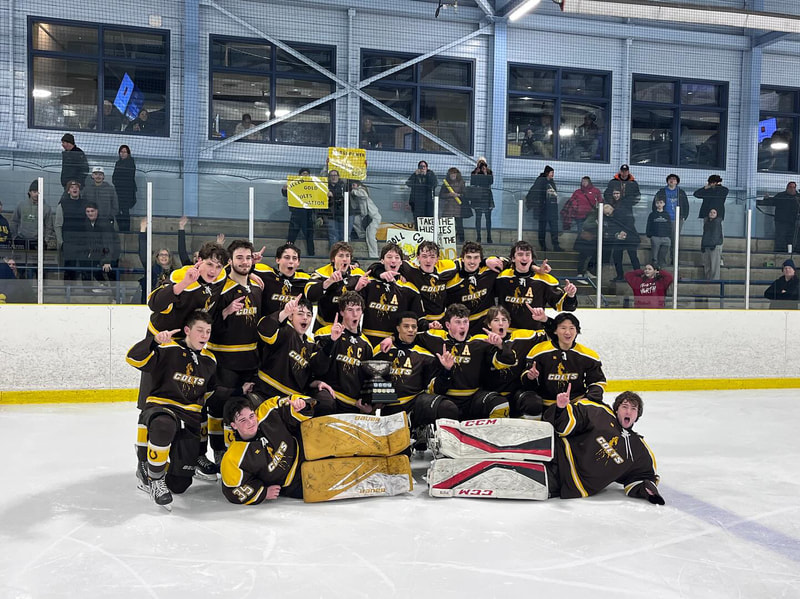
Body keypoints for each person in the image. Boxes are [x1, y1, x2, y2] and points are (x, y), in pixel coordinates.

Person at [126, 311, 228, 510]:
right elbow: (132, 358)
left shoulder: (210, 360)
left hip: (189, 418)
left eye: (208, 331)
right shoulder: (168, 348)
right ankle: (153, 476)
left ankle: (155, 459)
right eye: (200, 330)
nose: (205, 335)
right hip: (162, 408)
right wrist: (154, 341)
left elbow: (209, 391)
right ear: (187, 330)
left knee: (179, 485)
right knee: (164, 425)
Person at [544, 390, 664, 504]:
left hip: (569, 481)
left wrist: (648, 491)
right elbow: (568, 424)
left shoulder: (638, 450)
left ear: (637, 415)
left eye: (633, 409)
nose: (628, 412)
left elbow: (644, 476)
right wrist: (561, 409)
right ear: (616, 409)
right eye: (624, 407)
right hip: (557, 451)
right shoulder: (600, 413)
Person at [416, 303, 517, 420]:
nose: (462, 326)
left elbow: (509, 362)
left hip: (473, 399)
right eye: (458, 322)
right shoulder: (435, 337)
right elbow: (408, 336)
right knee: (447, 409)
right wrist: (446, 370)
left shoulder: (480, 342)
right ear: (448, 325)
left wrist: (500, 345)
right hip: (445, 398)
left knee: (500, 404)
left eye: (465, 322)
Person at [372, 311, 459, 428]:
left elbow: (435, 389)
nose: (410, 330)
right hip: (389, 408)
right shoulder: (382, 349)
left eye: (414, 327)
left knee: (448, 408)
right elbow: (371, 378)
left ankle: (421, 430)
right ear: (398, 328)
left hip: (415, 404)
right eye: (406, 326)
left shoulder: (426, 356)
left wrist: (446, 370)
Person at [252, 294, 335, 414]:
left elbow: (318, 368)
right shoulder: (285, 330)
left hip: (293, 401)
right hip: (267, 392)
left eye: (309, 315)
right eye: (300, 314)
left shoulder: (311, 345)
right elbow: (264, 329)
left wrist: (332, 341)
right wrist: (284, 313)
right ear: (291, 316)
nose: (305, 318)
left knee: (326, 402)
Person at [220, 394, 310, 504]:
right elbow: (232, 490)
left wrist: (301, 404)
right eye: (243, 420)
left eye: (251, 416)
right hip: (294, 482)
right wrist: (263, 493)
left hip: (307, 448)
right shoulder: (233, 458)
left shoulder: (267, 411)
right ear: (234, 425)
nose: (250, 422)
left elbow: (291, 401)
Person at [520, 312, 607, 416]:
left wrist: (588, 399)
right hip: (546, 404)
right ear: (555, 331)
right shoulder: (539, 351)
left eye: (572, 328)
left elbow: (598, 382)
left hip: (574, 405)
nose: (567, 332)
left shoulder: (588, 355)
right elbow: (527, 384)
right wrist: (530, 377)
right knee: (531, 403)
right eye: (563, 328)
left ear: (577, 331)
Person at [495, 240, 578, 330]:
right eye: (520, 254)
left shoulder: (544, 280)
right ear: (513, 258)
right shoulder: (502, 277)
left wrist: (570, 295)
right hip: (507, 333)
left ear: (532, 259)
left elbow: (564, 306)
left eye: (527, 255)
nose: (524, 258)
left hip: (534, 334)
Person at [313, 291, 374, 412]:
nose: (355, 314)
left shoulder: (367, 345)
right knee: (325, 403)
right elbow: (317, 368)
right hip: (329, 396)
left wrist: (369, 404)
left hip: (352, 404)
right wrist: (332, 341)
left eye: (358, 310)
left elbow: (366, 379)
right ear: (341, 312)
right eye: (350, 310)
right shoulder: (325, 333)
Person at [357, 243, 423, 347]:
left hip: (394, 343)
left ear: (401, 262)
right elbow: (353, 309)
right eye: (389, 257)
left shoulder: (410, 289)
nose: (393, 260)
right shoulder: (369, 283)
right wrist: (357, 289)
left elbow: (416, 320)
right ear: (382, 261)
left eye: (397, 257)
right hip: (367, 341)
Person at [305, 241, 366, 330]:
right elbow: (310, 295)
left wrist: (358, 290)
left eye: (347, 256)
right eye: (341, 256)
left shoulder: (359, 274)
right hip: (324, 327)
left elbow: (366, 302)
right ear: (333, 259)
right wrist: (329, 281)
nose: (344, 259)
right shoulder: (321, 273)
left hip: (349, 329)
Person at [445, 241, 501, 335]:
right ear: (462, 259)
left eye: (476, 257)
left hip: (486, 327)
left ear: (480, 259)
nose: (472, 261)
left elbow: (510, 262)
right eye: (468, 257)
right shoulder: (452, 279)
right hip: (462, 329)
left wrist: (486, 261)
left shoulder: (488, 271)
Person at [255, 243, 312, 317]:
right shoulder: (265, 272)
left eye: (294, 258)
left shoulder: (305, 279)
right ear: (277, 260)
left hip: (291, 323)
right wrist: (250, 267)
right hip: (267, 322)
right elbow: (242, 269)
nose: (291, 261)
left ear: (298, 262)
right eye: (287, 257)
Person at [138, 217, 181, 304]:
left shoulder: (174, 272)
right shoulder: (151, 268)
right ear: (157, 257)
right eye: (161, 255)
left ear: (170, 257)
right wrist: (142, 229)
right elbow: (143, 252)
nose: (164, 257)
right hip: (153, 302)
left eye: (166, 255)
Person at [81, 201, 120, 287]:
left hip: (112, 253)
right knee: (91, 267)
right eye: (88, 211)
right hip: (98, 252)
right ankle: (104, 285)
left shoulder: (104, 224)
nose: (90, 213)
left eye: (92, 211)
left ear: (97, 211)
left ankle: (116, 294)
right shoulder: (87, 223)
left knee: (111, 273)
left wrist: (107, 261)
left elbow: (108, 243)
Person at [10, 180, 56, 253]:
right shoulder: (21, 205)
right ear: (29, 192)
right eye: (34, 191)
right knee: (20, 260)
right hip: (21, 240)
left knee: (36, 260)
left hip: (38, 242)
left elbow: (49, 226)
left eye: (38, 192)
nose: (36, 194)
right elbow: (14, 221)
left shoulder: (46, 208)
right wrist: (14, 237)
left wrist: (46, 240)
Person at [55, 180, 86, 283]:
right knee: (69, 267)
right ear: (68, 191)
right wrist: (61, 242)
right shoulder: (62, 205)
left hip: (83, 242)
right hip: (68, 242)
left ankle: (87, 289)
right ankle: (68, 289)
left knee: (85, 267)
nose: (74, 189)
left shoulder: (86, 204)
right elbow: (58, 225)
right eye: (72, 187)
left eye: (76, 187)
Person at [607, 189, 641, 282]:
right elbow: (612, 226)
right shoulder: (612, 205)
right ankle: (620, 275)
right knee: (616, 255)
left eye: (617, 193)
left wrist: (624, 231)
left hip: (630, 235)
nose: (616, 195)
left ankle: (639, 275)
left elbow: (630, 220)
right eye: (614, 193)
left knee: (633, 256)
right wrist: (617, 234)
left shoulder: (625, 204)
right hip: (619, 236)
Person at [526, 165, 561, 252]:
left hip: (551, 209)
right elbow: (535, 194)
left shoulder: (551, 182)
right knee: (542, 228)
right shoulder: (540, 181)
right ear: (547, 173)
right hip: (543, 209)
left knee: (554, 228)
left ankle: (555, 245)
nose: (553, 174)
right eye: (551, 172)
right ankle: (543, 246)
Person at [282, 167, 316, 257]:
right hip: (296, 214)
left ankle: (311, 255)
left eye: (307, 174)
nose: (305, 175)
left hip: (308, 215)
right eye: (303, 174)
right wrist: (284, 189)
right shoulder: (294, 183)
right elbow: (287, 194)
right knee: (291, 236)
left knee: (309, 236)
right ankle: (286, 254)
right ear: (299, 175)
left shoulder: (314, 185)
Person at [757, 182, 800, 252]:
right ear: (787, 188)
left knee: (794, 238)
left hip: (794, 222)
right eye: (790, 187)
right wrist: (766, 199)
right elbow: (771, 202)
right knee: (781, 237)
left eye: (794, 187)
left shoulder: (798, 197)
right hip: (781, 222)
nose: (792, 189)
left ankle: (795, 251)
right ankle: (780, 252)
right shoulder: (781, 195)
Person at [349, 180, 381, 258]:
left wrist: (354, 191)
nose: (353, 186)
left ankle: (374, 256)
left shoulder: (362, 190)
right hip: (365, 218)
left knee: (371, 237)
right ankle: (362, 235)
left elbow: (364, 195)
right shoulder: (356, 196)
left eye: (354, 184)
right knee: (355, 220)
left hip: (373, 217)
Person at [469, 157, 494, 244]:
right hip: (478, 196)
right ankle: (478, 236)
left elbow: (490, 182)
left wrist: (485, 172)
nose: (481, 164)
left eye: (483, 162)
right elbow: (472, 183)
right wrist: (476, 173)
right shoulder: (474, 172)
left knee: (488, 218)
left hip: (487, 196)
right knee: (478, 217)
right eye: (480, 162)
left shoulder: (489, 172)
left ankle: (489, 236)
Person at [113, 145, 137, 232]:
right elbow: (114, 177)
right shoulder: (118, 163)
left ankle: (126, 230)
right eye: (121, 152)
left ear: (128, 153)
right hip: (118, 191)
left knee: (125, 211)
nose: (122, 154)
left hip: (127, 192)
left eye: (125, 152)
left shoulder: (131, 163)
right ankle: (121, 229)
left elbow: (129, 177)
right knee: (117, 210)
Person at [439, 167, 466, 244]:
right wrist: (449, 194)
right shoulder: (446, 183)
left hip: (458, 208)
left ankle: (461, 240)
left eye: (454, 173)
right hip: (448, 207)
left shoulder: (461, 182)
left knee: (459, 224)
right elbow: (441, 195)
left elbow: (465, 194)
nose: (453, 175)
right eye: (451, 173)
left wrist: (458, 195)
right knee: (447, 224)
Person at [646, 198, 672, 266]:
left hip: (665, 237)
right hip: (655, 237)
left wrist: (669, 236)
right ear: (655, 204)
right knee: (654, 257)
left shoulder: (667, 215)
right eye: (657, 203)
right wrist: (650, 235)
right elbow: (649, 225)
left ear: (664, 204)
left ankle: (661, 269)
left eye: (661, 202)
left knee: (663, 256)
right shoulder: (652, 214)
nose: (659, 204)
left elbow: (669, 226)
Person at [323, 168, 345, 250]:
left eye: (335, 175)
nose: (333, 177)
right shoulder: (325, 187)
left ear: (338, 177)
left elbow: (343, 197)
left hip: (342, 214)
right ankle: (334, 254)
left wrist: (333, 195)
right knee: (333, 236)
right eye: (331, 175)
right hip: (330, 215)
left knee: (343, 236)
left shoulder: (343, 186)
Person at [701, 208, 723, 281]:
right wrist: (703, 245)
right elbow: (704, 234)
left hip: (714, 247)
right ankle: (708, 280)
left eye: (714, 212)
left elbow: (716, 235)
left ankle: (714, 282)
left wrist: (713, 244)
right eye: (710, 212)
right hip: (707, 246)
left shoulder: (717, 223)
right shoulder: (707, 223)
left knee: (714, 266)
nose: (712, 214)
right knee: (707, 266)